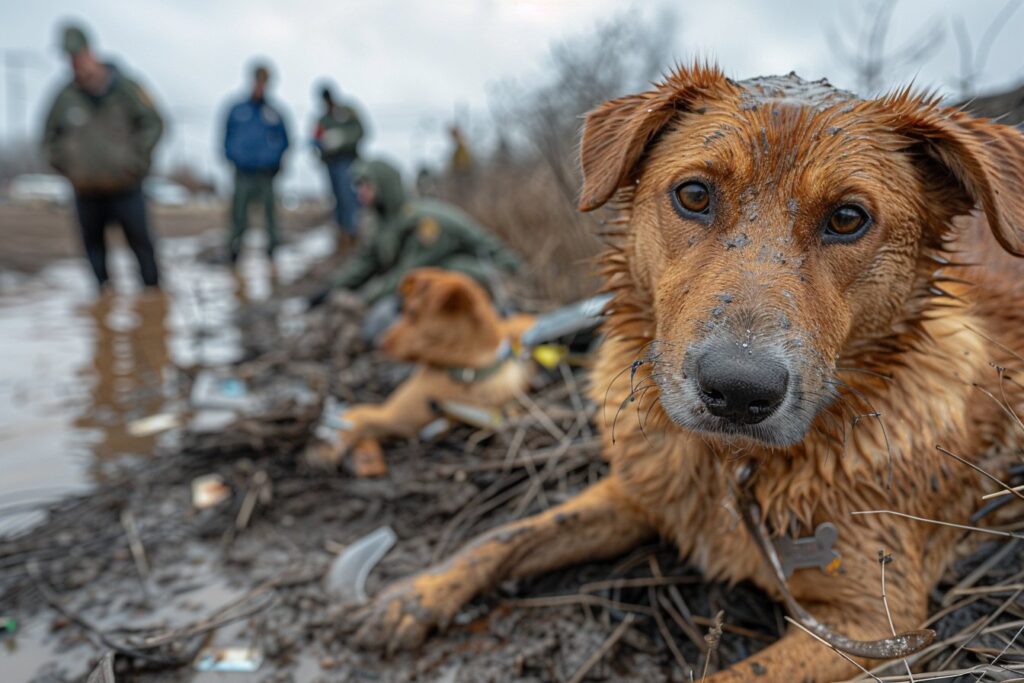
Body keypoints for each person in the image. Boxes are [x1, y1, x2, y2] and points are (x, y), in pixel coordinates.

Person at [309, 159, 520, 335]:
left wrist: (363, 300)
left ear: (384, 185)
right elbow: (366, 262)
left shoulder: (424, 222)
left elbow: (408, 273)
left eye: (366, 185)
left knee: (433, 280)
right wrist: (332, 287)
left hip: (495, 277)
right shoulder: (386, 222)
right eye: (358, 186)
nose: (360, 192)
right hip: (447, 280)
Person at [42, 23, 165, 291]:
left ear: (90, 51)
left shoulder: (127, 88)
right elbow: (48, 138)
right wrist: (69, 168)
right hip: (86, 190)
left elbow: (155, 123)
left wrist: (136, 161)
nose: (75, 63)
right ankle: (103, 306)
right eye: (69, 58)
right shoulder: (64, 97)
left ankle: (154, 307)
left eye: (78, 55)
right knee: (94, 254)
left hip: (126, 186)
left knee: (143, 249)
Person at [223, 63, 290, 264]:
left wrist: (275, 161)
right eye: (257, 81)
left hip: (266, 173)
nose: (260, 86)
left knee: (270, 214)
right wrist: (233, 157)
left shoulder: (274, 113)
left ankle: (272, 252)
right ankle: (234, 251)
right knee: (238, 214)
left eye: (264, 82)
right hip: (242, 172)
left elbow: (285, 141)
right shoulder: (237, 110)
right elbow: (226, 138)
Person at [313, 85, 365, 246]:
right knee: (337, 197)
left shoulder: (347, 112)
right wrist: (319, 151)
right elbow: (315, 140)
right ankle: (342, 232)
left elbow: (360, 131)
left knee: (348, 195)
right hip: (331, 163)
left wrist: (342, 139)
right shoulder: (323, 120)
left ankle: (352, 230)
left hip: (348, 161)